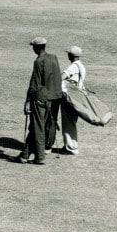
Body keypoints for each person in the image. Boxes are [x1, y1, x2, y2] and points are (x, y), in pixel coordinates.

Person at [15, 37, 62, 165]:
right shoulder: (54, 58)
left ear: (36, 48)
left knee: (37, 127)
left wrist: (27, 101)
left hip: (41, 98)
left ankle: (40, 157)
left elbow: (34, 84)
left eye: (33, 47)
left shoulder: (38, 61)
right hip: (54, 98)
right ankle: (24, 155)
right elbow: (58, 77)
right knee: (36, 126)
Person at [59, 46, 87, 155]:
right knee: (72, 122)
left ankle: (71, 148)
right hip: (78, 97)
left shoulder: (73, 67)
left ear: (71, 55)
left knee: (68, 122)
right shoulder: (81, 66)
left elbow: (62, 77)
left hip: (70, 98)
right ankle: (72, 145)